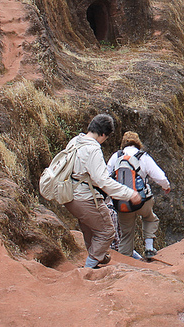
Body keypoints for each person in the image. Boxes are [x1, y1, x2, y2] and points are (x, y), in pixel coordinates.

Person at [63, 114, 143, 268]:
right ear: (103, 134)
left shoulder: (75, 141)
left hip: (69, 196)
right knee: (106, 230)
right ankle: (89, 266)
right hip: (84, 197)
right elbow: (103, 181)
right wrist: (129, 193)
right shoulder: (93, 149)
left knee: (89, 228)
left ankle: (97, 257)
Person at [106, 131, 171, 260]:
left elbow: (106, 176)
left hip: (122, 202)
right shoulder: (143, 157)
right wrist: (166, 186)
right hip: (142, 201)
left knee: (126, 233)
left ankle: (125, 261)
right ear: (138, 143)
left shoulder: (116, 156)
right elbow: (160, 177)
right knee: (150, 218)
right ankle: (149, 248)